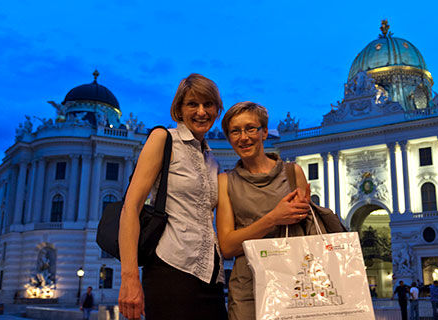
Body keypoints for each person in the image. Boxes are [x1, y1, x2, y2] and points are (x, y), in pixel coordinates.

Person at [118, 74, 227, 320]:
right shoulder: (163, 139)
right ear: (179, 108)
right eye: (192, 104)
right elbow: (130, 207)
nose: (201, 112)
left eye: (208, 104)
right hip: (171, 269)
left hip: (212, 276)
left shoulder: (213, 161)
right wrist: (129, 278)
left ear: (217, 109)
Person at [216, 102, 311, 320]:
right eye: (235, 131)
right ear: (229, 138)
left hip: (295, 285)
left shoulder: (293, 172)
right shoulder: (224, 182)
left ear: (265, 132)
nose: (244, 137)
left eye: (251, 128)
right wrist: (274, 218)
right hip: (248, 290)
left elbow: (306, 235)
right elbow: (228, 246)